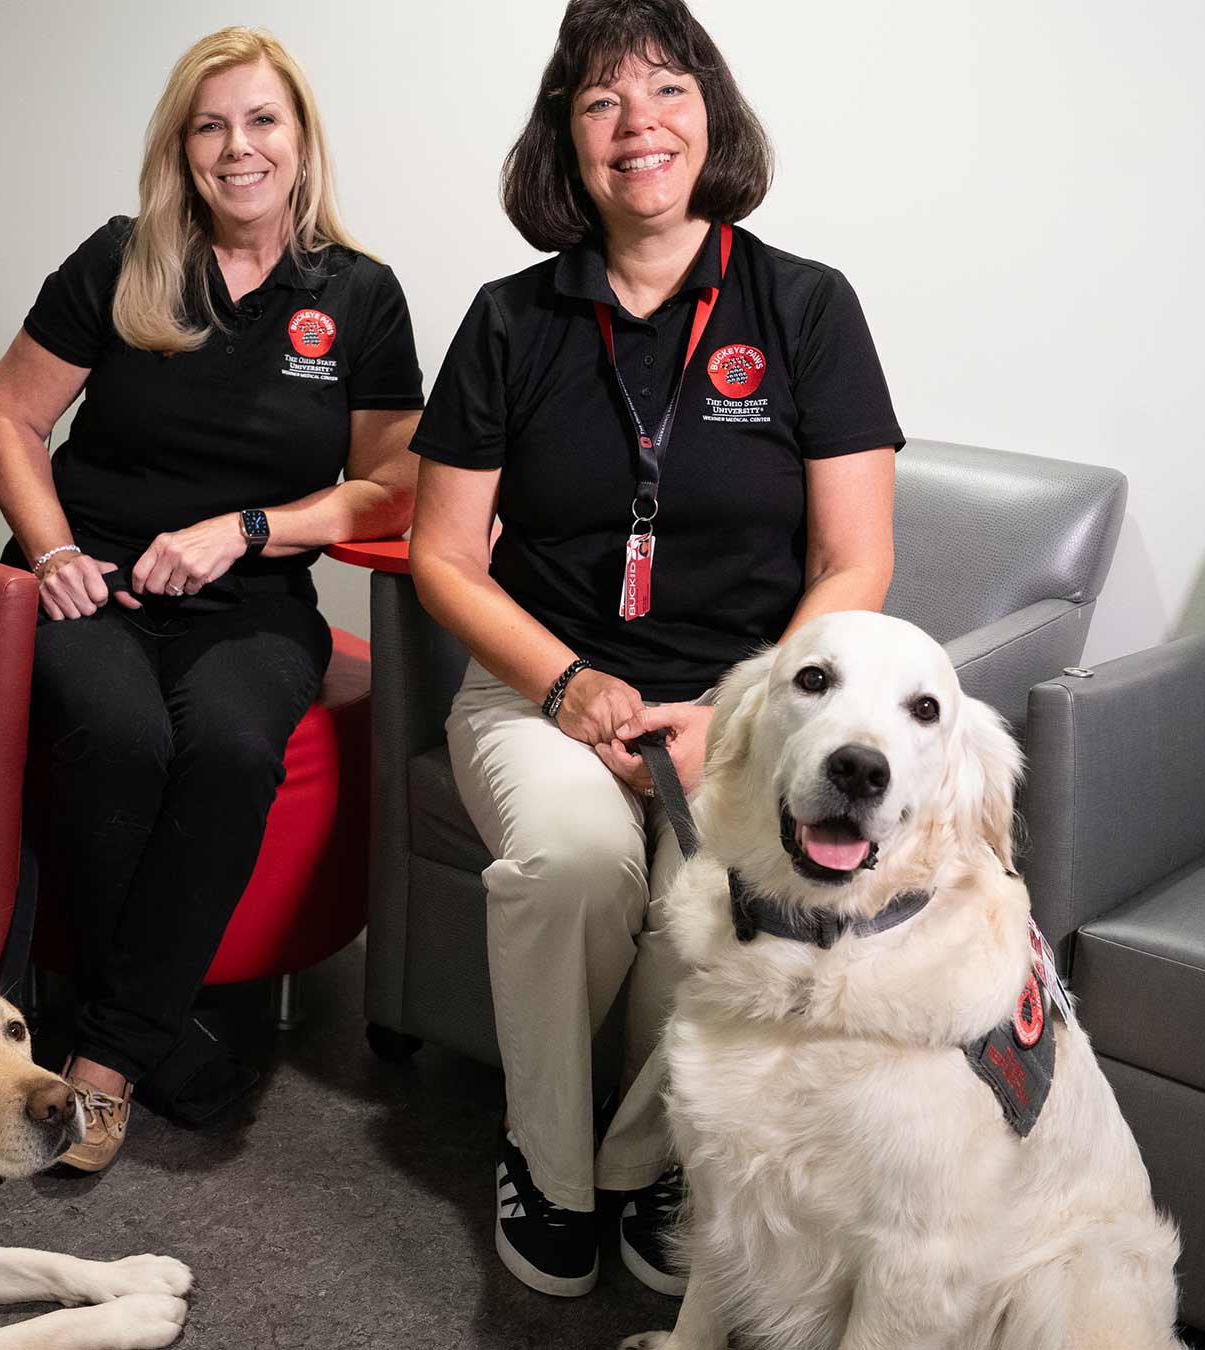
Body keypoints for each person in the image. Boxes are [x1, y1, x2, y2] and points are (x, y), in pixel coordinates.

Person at [410, 0, 902, 1299]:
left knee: (724, 889)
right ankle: (549, 1167)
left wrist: (743, 716)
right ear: (565, 144)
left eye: (668, 90)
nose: (639, 124)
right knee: (572, 859)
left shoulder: (804, 307)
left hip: (739, 709)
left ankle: (652, 1159)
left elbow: (853, 562)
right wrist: (567, 684)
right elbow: (443, 556)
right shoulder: (512, 321)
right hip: (539, 689)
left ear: (714, 115)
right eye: (601, 101)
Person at [0, 27, 422, 1174]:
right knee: (119, 735)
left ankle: (107, 1049)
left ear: (300, 138)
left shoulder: (358, 294)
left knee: (228, 746)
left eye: (262, 120)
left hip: (253, 598)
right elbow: (11, 416)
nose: (239, 147)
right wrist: (53, 546)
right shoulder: (121, 260)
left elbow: (391, 488)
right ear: (182, 147)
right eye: (212, 124)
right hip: (98, 585)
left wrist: (251, 527)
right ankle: (155, 1040)